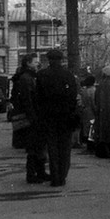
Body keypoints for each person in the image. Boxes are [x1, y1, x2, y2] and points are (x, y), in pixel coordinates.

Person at [35, 49, 78, 187]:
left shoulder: (42, 75)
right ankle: (62, 176)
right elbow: (73, 96)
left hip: (48, 117)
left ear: (48, 59)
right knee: (65, 148)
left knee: (52, 148)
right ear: (61, 59)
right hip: (66, 117)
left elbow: (38, 98)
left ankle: (55, 177)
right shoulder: (68, 75)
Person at [11, 53, 50, 184]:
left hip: (33, 116)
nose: (37, 64)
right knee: (34, 147)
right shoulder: (27, 78)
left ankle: (39, 172)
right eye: (35, 62)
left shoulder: (27, 77)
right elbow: (28, 99)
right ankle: (33, 174)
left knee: (36, 146)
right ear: (28, 63)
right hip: (33, 118)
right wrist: (33, 117)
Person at [79, 76, 96, 150]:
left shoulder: (84, 90)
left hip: (85, 109)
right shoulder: (93, 90)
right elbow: (93, 102)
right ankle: (91, 145)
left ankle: (87, 144)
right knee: (92, 127)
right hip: (91, 110)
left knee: (86, 127)